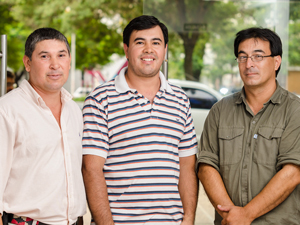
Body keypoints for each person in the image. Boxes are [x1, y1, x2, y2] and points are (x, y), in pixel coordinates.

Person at [82, 15, 198, 225]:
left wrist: (189, 219)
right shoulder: (100, 100)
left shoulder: (180, 99)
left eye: (156, 42)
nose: (148, 49)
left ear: (165, 49)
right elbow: (91, 170)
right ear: (126, 49)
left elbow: (187, 166)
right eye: (139, 42)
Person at [197, 27, 300, 225]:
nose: (249, 64)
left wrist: (246, 215)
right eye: (242, 57)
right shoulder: (220, 111)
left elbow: (292, 172)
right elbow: (206, 166)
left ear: (276, 61)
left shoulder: (294, 111)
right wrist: (232, 217)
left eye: (258, 56)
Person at [0, 28, 86, 225]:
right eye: (45, 56)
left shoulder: (74, 110)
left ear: (69, 61)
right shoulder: (6, 110)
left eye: (61, 55)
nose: (55, 65)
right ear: (27, 63)